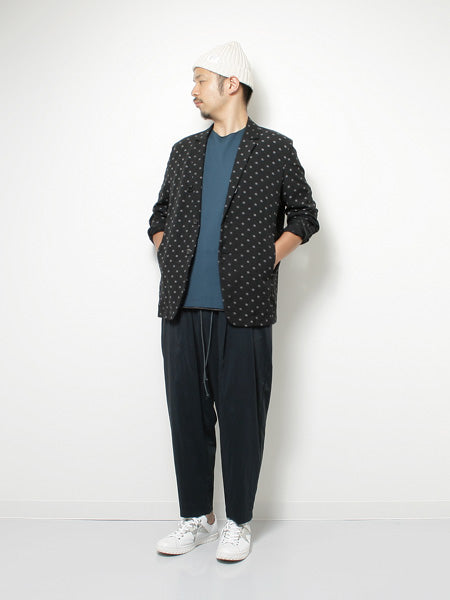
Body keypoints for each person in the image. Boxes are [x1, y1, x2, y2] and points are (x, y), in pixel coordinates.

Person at [147, 41, 319, 562]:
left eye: (200, 79)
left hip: (245, 307)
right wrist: (167, 250)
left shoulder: (274, 148)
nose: (193, 90)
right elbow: (158, 215)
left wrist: (268, 257)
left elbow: (304, 215)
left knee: (243, 417)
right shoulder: (183, 151)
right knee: (187, 416)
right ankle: (195, 518)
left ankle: (238, 522)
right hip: (180, 308)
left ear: (231, 84)